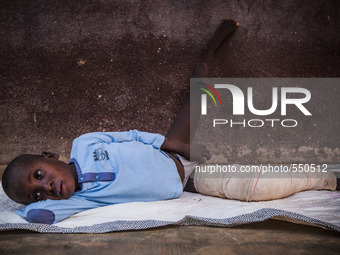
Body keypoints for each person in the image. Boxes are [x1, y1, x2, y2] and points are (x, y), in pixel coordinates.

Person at [1, 20, 338, 224]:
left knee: (199, 98)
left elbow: (131, 136)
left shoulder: (85, 143)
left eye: (39, 175)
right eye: (37, 194)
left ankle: (207, 52)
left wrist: (178, 145)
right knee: (255, 187)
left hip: (171, 150)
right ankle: (328, 180)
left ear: (49, 156)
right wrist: (27, 209)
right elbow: (40, 217)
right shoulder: (80, 199)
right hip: (190, 181)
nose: (45, 188)